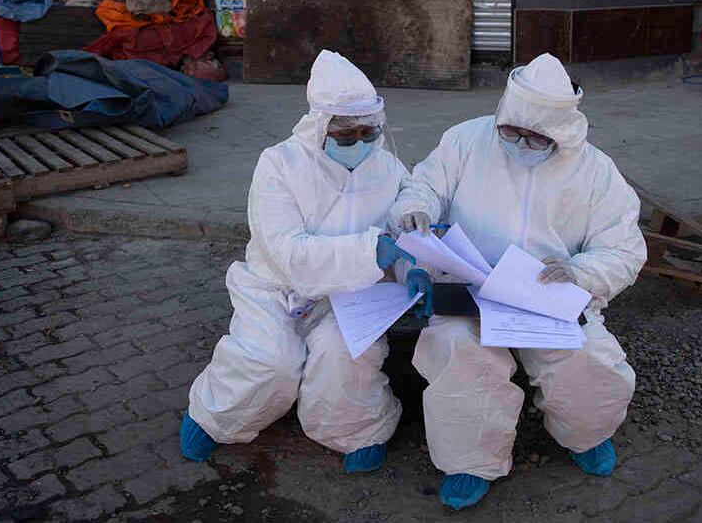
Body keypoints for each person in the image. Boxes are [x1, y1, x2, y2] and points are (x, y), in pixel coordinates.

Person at [390, 53, 647, 510]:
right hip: (469, 289)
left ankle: (586, 435)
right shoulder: (466, 140)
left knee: (587, 361)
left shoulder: (595, 170)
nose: (522, 143)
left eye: (537, 137)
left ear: (564, 132)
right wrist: (417, 208)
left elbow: (624, 248)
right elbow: (425, 185)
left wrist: (581, 272)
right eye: (513, 132)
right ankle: (470, 461)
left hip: (548, 294)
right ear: (502, 117)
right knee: (459, 355)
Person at [180, 50, 417, 473]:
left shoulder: (388, 168)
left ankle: (356, 430)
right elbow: (285, 251)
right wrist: (368, 251)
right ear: (319, 125)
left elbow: (404, 231)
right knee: (269, 359)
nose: (358, 143)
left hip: (352, 293)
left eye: (368, 132)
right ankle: (215, 416)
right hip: (277, 286)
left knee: (344, 355)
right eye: (345, 134)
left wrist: (413, 268)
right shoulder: (279, 164)